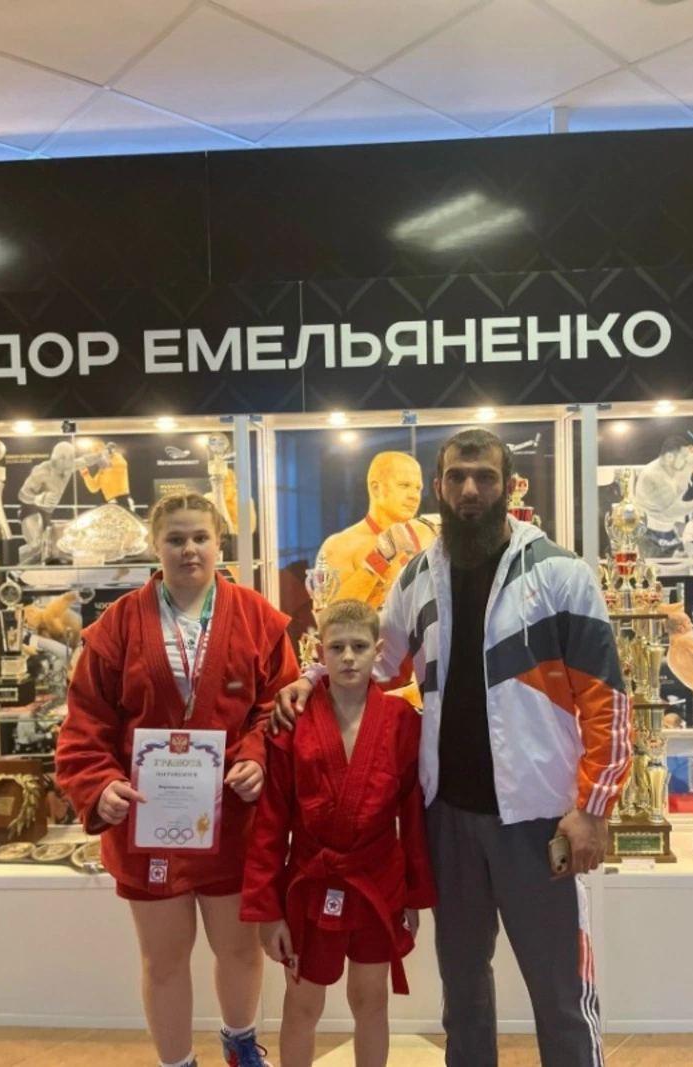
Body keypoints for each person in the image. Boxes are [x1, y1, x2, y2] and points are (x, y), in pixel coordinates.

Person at [275, 428, 632, 1067]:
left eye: (485, 477)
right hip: (448, 820)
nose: (470, 490)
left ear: (509, 487)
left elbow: (606, 697)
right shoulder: (418, 576)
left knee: (559, 989)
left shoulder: (559, 572)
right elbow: (376, 659)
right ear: (439, 487)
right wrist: (311, 678)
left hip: (539, 820)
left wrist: (594, 808)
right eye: (458, 477)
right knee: (462, 991)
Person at [56, 492, 298, 1067]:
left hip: (230, 815)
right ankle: (177, 1063)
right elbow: (86, 721)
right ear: (155, 545)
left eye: (200, 538)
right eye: (176, 539)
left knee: (240, 951)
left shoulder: (258, 618)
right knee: (163, 961)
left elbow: (278, 707)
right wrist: (100, 784)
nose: (189, 549)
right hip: (147, 818)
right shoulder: (118, 625)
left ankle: (241, 1048)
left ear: (219, 543)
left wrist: (258, 757)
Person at [241, 599, 436, 1067]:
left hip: (377, 881)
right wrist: (268, 912)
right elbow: (270, 823)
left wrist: (413, 895)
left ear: (379, 651)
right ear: (319, 652)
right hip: (311, 880)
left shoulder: (403, 722)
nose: (348, 657)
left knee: (371, 999)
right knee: (302, 1003)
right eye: (337, 647)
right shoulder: (292, 721)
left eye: (359, 647)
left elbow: (412, 818)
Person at [318, 451, 436, 610]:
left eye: (418, 488)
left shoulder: (429, 532)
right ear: (376, 489)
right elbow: (332, 616)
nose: (414, 496)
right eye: (404, 485)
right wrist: (377, 561)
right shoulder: (340, 545)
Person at [17, 440, 78, 561]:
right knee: (36, 546)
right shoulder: (43, 471)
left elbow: (85, 461)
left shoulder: (69, 467)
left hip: (46, 513)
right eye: (64, 457)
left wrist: (100, 457)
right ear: (57, 457)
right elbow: (22, 494)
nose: (68, 461)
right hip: (31, 510)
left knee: (50, 550)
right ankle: (19, 564)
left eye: (71, 458)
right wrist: (37, 498)